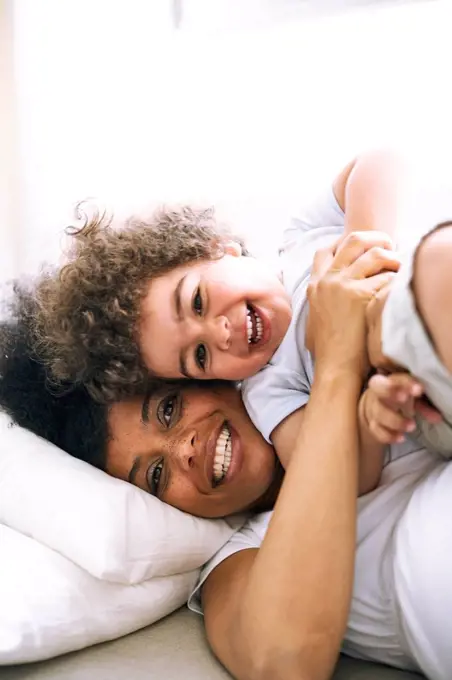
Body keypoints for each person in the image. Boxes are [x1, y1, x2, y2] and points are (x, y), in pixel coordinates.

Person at [1, 246, 449, 680]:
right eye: (156, 475)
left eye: (169, 410)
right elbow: (283, 664)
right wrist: (338, 365)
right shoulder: (241, 561)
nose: (184, 451)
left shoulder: (304, 354)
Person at [29, 150, 407, 498]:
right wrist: (368, 409)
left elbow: (376, 164)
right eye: (199, 355)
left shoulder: (299, 241)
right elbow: (337, 477)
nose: (221, 333)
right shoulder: (269, 391)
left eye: (196, 302)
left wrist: (365, 257)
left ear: (216, 248)